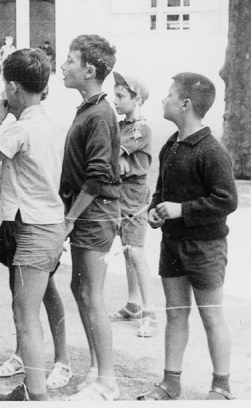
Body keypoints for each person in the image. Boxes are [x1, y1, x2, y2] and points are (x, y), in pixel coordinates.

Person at [0, 49, 69, 401]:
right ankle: (33, 387)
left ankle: (37, 394)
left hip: (33, 229)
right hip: (50, 225)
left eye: (5, 88)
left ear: (13, 87)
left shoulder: (19, 130)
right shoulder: (54, 126)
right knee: (32, 307)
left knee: (24, 314)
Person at [138, 73, 238, 401]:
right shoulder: (171, 144)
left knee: (211, 314)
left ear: (186, 104)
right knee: (175, 312)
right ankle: (170, 382)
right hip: (172, 244)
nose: (162, 100)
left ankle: (221, 385)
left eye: (169, 95)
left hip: (205, 247)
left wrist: (182, 210)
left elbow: (227, 200)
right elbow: (161, 190)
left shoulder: (212, 151)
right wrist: (155, 210)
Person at [59, 35, 122, 401]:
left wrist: (70, 218)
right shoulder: (89, 108)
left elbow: (98, 176)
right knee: (79, 290)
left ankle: (108, 382)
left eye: (70, 60)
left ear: (89, 70)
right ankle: (98, 369)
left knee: (91, 294)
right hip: (87, 214)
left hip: (94, 216)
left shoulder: (99, 114)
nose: (64, 66)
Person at [109, 72, 158, 338]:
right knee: (127, 250)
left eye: (121, 96)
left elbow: (110, 155)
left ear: (136, 99)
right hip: (121, 195)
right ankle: (133, 304)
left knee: (136, 252)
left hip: (134, 198)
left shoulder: (141, 129)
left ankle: (150, 312)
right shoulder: (122, 127)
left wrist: (120, 162)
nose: (115, 100)